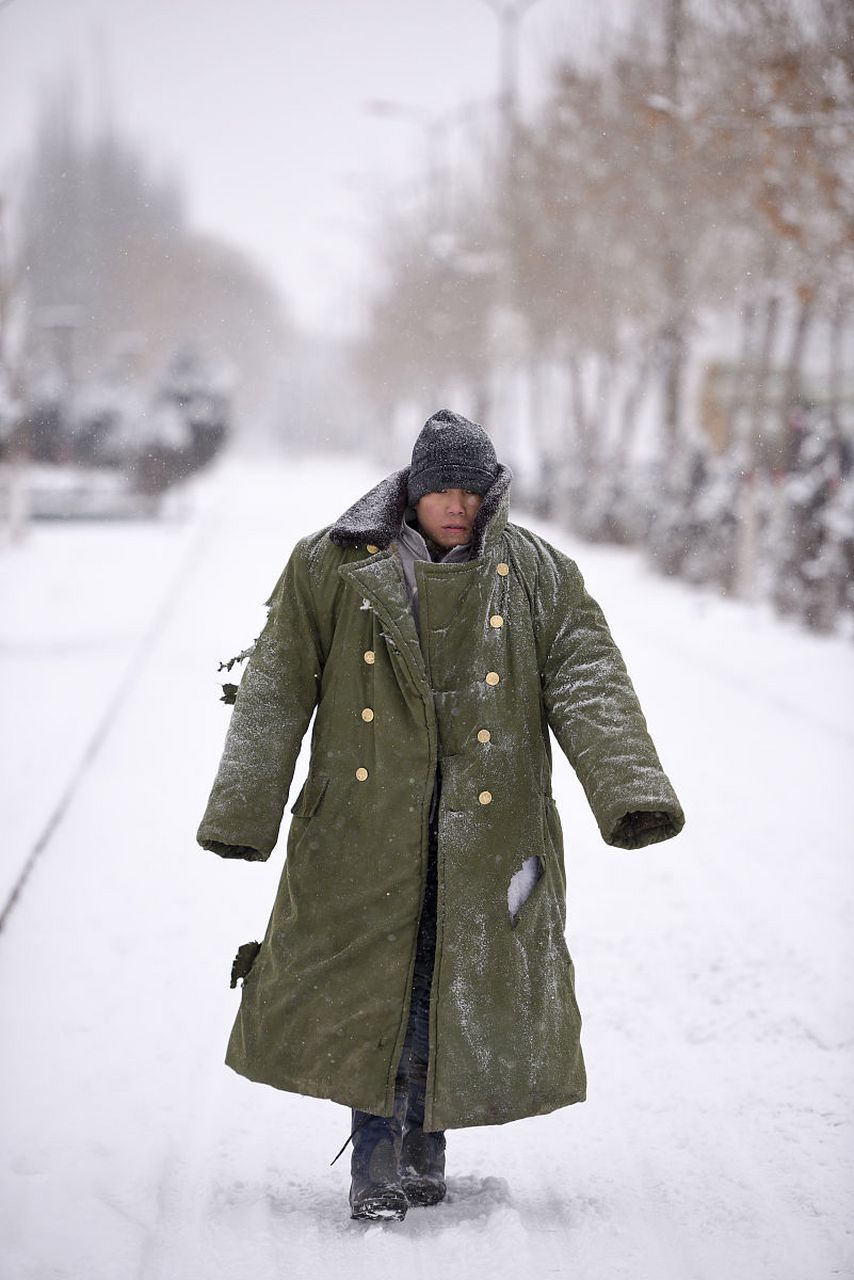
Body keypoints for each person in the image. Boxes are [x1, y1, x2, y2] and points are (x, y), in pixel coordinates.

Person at [197, 409, 685, 1222]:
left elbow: (587, 675)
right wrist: (242, 811)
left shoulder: (537, 573)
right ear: (411, 492)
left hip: (486, 830)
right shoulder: (330, 565)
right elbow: (278, 685)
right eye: (440, 490)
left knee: (445, 983)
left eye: (471, 490)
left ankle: (425, 1145)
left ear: (491, 495)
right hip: (364, 819)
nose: (456, 505)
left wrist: (629, 790)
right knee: (373, 986)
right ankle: (377, 1158)